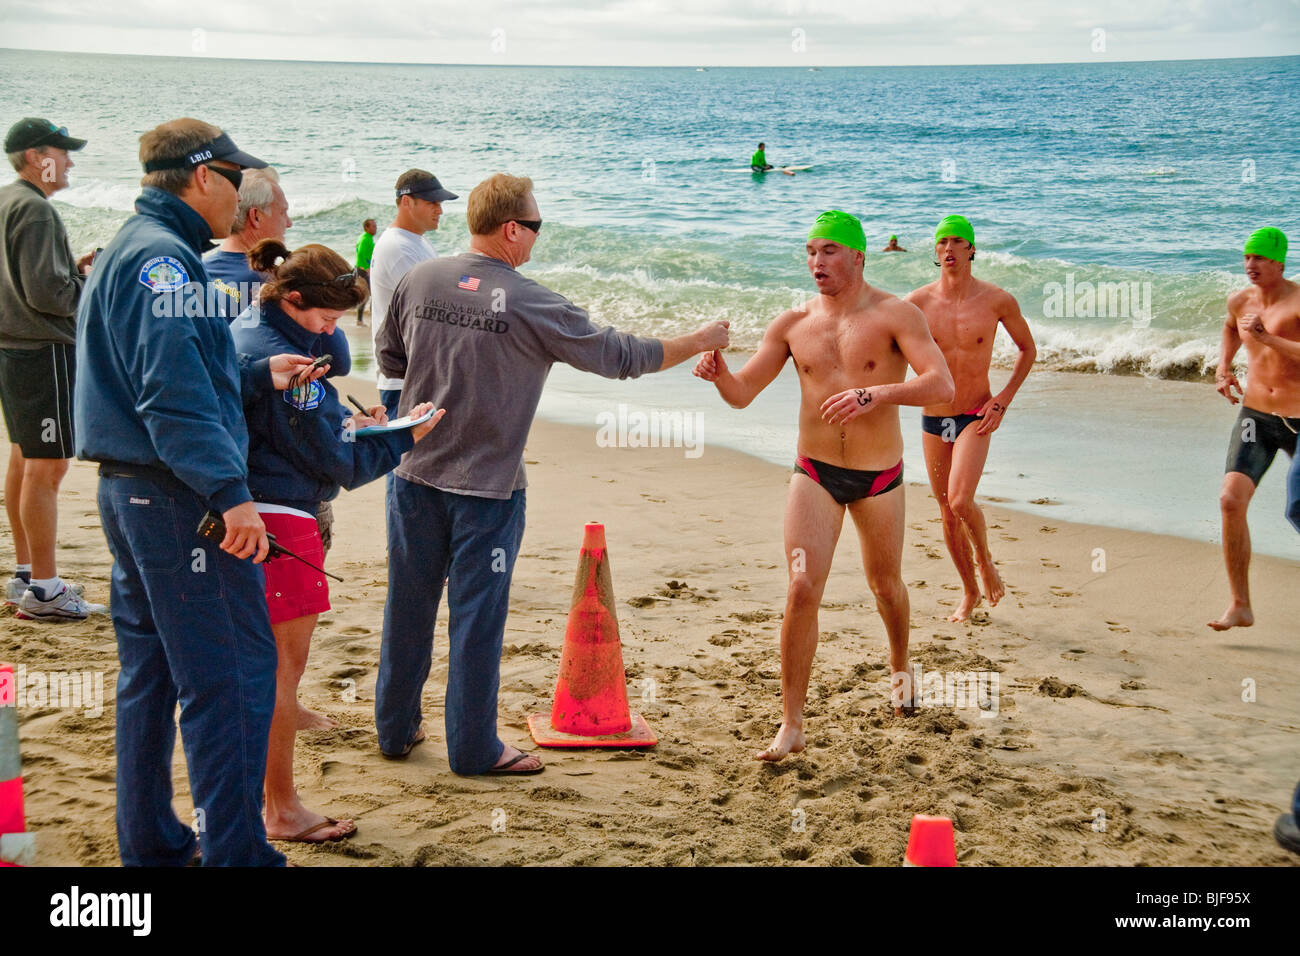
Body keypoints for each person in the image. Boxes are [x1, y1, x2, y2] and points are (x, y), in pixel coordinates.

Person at [375, 173, 729, 775]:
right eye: (535, 227)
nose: (537, 239)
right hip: (485, 489)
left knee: (407, 609)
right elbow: (621, 356)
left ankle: (395, 731)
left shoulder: (421, 277)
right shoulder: (531, 301)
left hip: (410, 473)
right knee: (476, 620)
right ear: (511, 229)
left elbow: (389, 355)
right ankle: (473, 748)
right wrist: (698, 339)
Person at [75, 117, 326, 866]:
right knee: (235, 677)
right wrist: (230, 494)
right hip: (176, 498)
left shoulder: (131, 246)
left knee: (150, 673)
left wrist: (256, 375)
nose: (242, 194)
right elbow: (169, 398)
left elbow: (152, 377)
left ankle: (151, 840)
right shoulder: (167, 264)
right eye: (234, 178)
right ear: (203, 178)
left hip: (133, 490)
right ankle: (237, 851)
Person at [693, 210, 953, 761]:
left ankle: (901, 668)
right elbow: (743, 394)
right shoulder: (792, 324)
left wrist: (876, 395)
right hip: (813, 472)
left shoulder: (896, 314)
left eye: (830, 251)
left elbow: (941, 383)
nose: (817, 262)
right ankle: (791, 723)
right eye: (811, 251)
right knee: (801, 588)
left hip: (879, 476)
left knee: (886, 586)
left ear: (858, 256)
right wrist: (720, 377)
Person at [231, 238, 441, 844]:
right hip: (280, 519)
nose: (330, 332)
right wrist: (405, 438)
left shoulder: (249, 330)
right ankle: (281, 808)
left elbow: (301, 432)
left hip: (245, 509)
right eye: (326, 319)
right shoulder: (291, 369)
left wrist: (351, 423)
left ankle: (260, 799)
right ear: (291, 299)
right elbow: (339, 466)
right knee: (279, 675)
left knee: (255, 669)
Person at [204, 165, 350, 619]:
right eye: (283, 212)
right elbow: (339, 361)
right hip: (285, 474)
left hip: (223, 474)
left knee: (238, 613)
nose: (288, 222)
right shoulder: (279, 288)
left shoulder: (200, 272)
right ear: (255, 218)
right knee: (286, 616)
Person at [906, 215, 1035, 622]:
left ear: (972, 250)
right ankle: (969, 593)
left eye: (957, 242)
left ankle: (985, 559)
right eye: (942, 242)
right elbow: (890, 349)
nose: (948, 249)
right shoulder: (917, 304)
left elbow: (1026, 349)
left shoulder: (997, 300)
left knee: (961, 500)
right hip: (935, 418)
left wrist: (1003, 399)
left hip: (975, 415)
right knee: (946, 512)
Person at [0, 117, 104, 620]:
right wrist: (94, 286)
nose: (69, 162)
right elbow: (48, 295)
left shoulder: (7, 200)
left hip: (14, 347)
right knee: (48, 467)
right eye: (63, 153)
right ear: (38, 157)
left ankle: (26, 574)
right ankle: (44, 589)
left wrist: (73, 269)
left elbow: (29, 280)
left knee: (24, 461)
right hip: (44, 352)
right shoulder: (36, 211)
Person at [1209, 227, 1300, 630]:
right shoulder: (1240, 300)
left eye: (1260, 258)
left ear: (1279, 261)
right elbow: (1231, 327)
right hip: (1256, 418)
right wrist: (1223, 366)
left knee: (1298, 508)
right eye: (1247, 258)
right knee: (1230, 500)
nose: (1251, 266)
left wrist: (1268, 338)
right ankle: (1240, 605)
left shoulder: (1297, 303)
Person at [370, 170, 457, 417]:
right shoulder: (398, 247)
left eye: (440, 203)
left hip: (414, 372)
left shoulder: (416, 241)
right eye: (432, 203)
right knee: (410, 453)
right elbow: (432, 311)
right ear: (407, 202)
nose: (439, 210)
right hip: (404, 377)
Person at [354, 218, 376, 325]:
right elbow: (361, 254)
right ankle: (370, 319)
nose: (375, 228)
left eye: (375, 226)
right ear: (366, 227)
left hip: (363, 269)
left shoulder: (367, 238)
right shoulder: (365, 239)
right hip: (363, 270)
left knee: (368, 295)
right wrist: (365, 268)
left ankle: (361, 319)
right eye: (373, 226)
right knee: (372, 294)